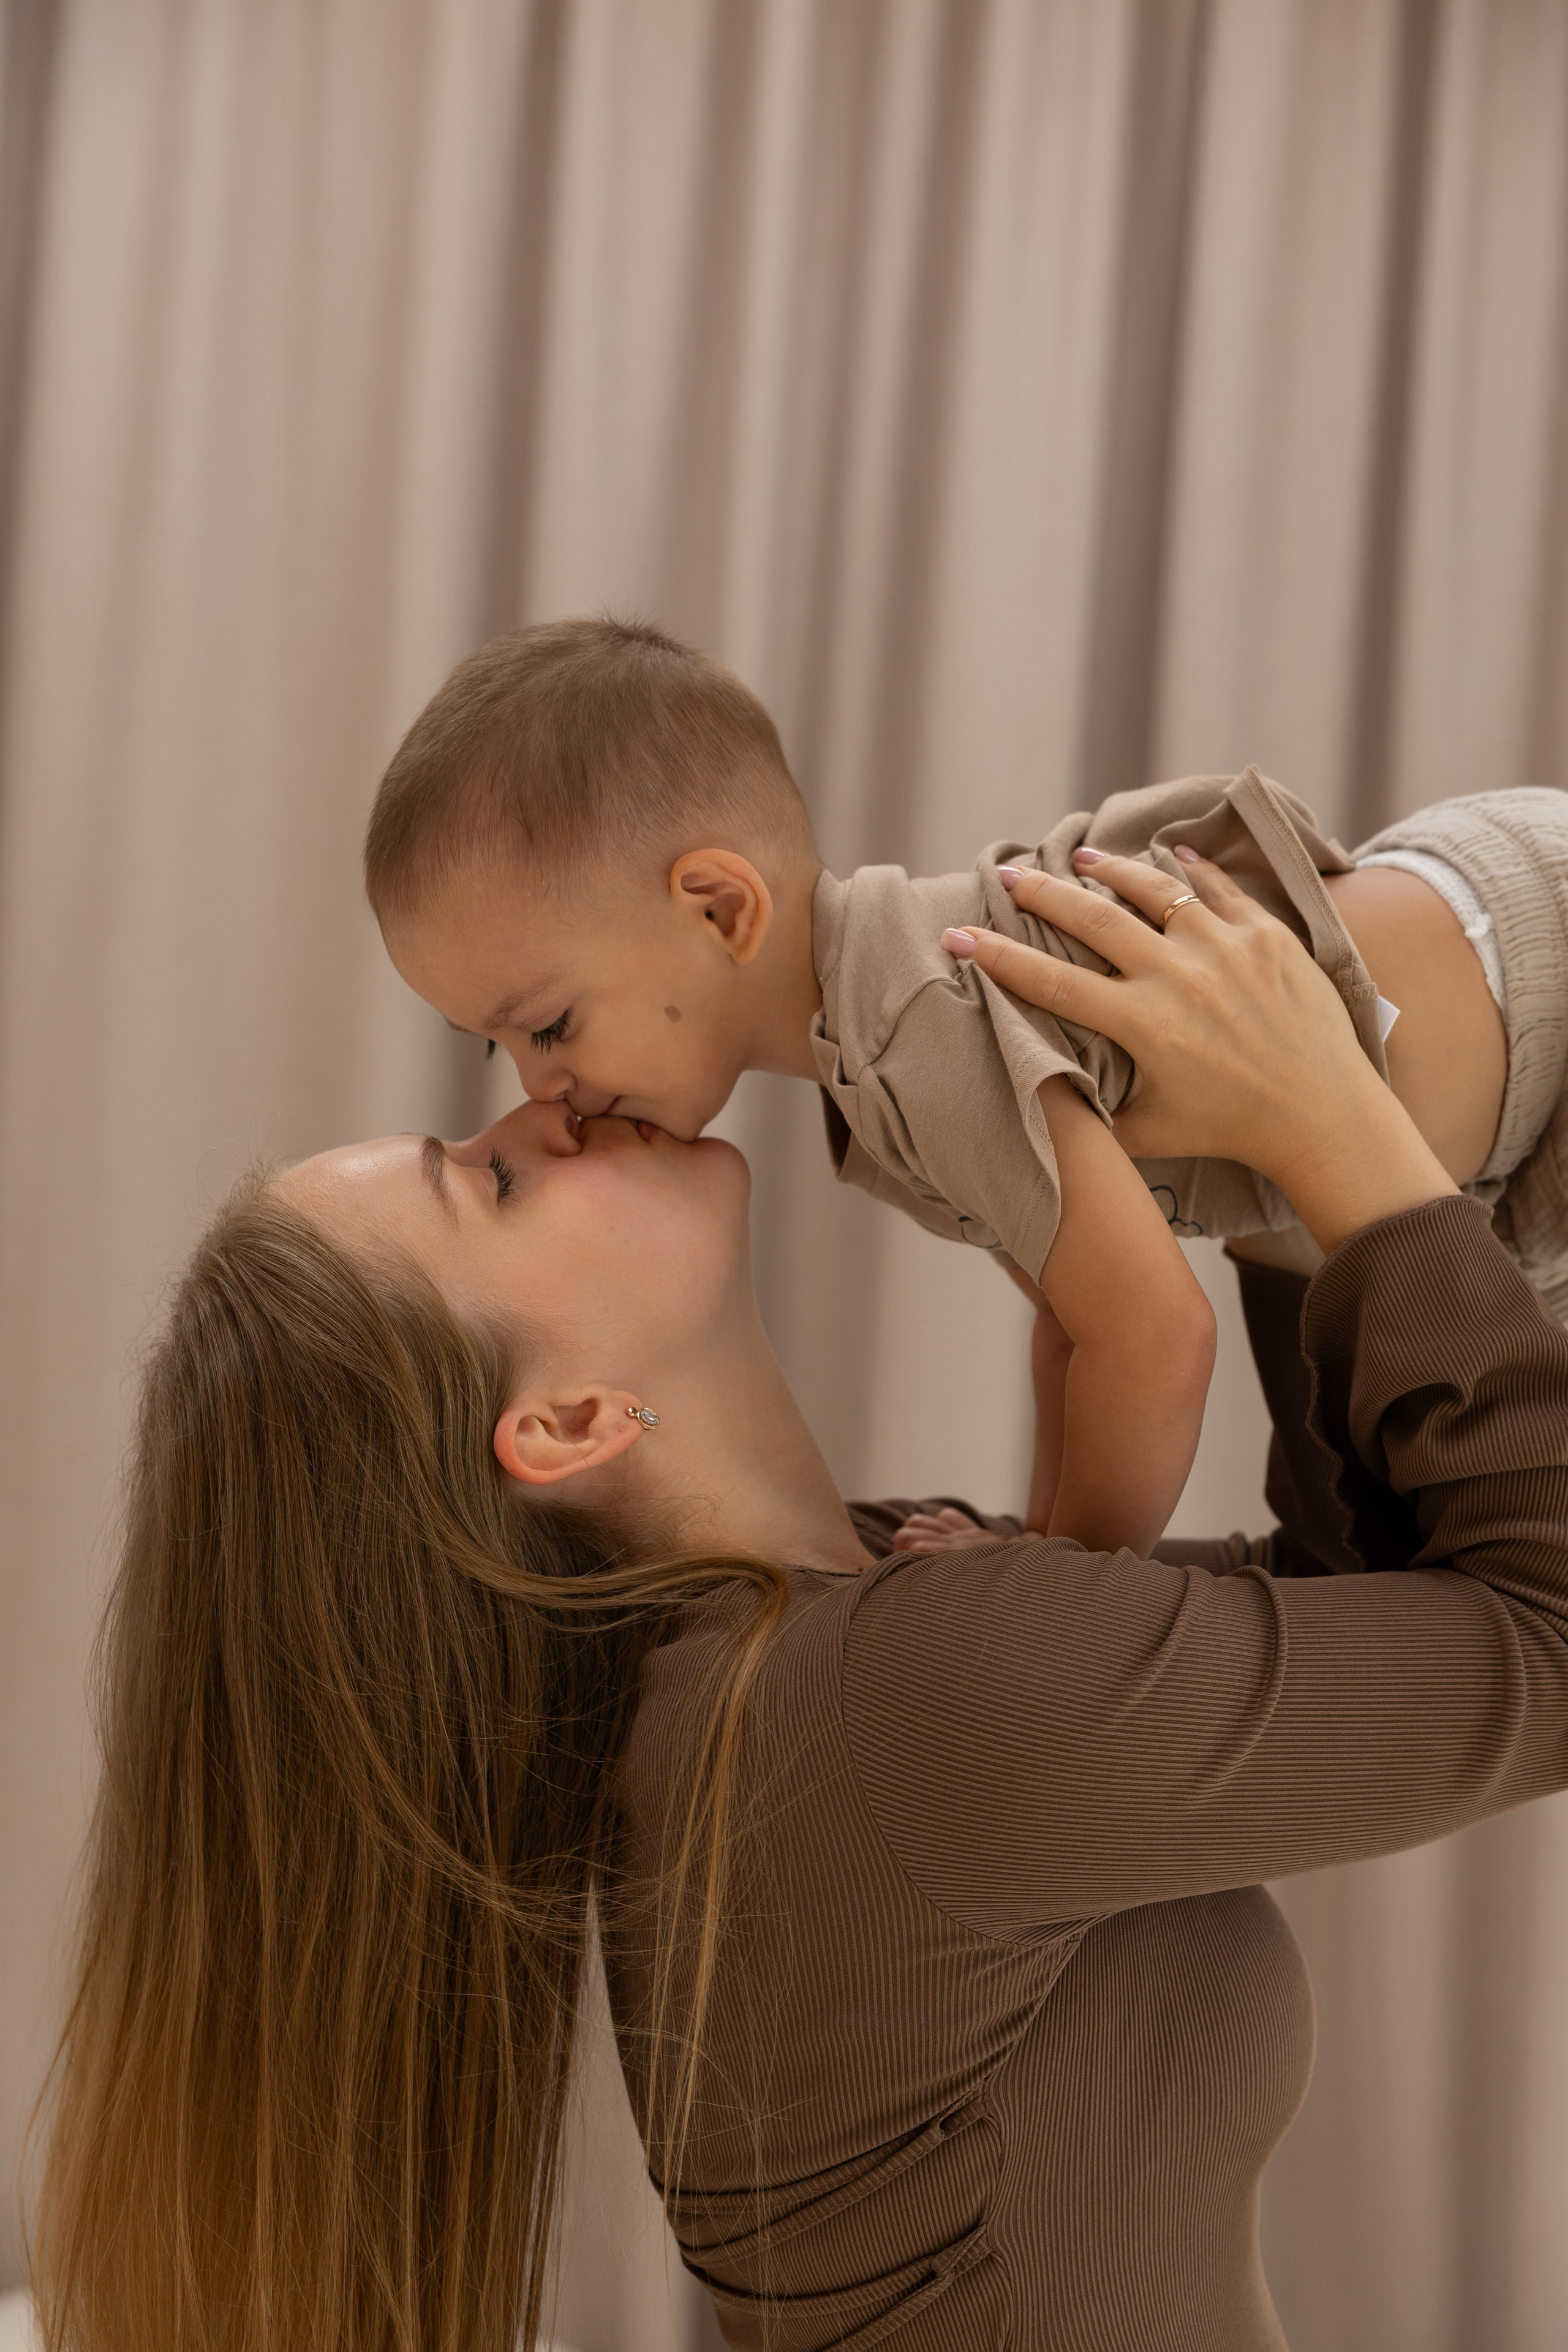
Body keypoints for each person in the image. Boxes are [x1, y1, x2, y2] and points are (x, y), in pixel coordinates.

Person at [31, 846, 1568, 2352]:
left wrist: (1280, 1167)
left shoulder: (831, 1633)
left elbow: (1366, 1608)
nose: (547, 1107)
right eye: (490, 1181)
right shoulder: (878, 1706)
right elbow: (1543, 1643)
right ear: (563, 1423)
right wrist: (1326, 1126)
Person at [360, 616, 1562, 1559]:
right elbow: (1072, 1325)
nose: (544, 1089)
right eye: (497, 1046)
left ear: (720, 909)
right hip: (1492, 1014)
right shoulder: (873, 1057)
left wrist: (1068, 1583)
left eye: (550, 1025)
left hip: (1530, 987)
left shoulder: (913, 1029)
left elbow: (1153, 1337)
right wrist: (1034, 1542)